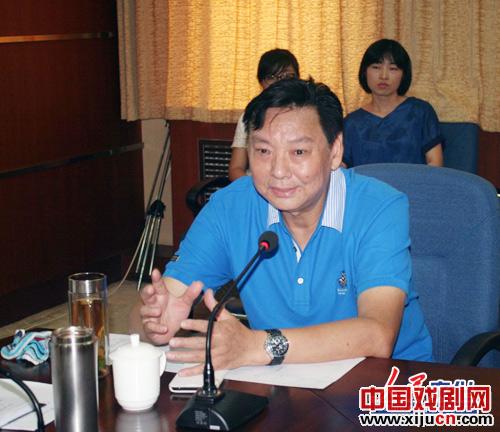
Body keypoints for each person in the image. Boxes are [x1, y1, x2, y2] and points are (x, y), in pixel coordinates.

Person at [129, 78, 433, 376]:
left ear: (335, 151)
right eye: (263, 151)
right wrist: (154, 323)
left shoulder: (380, 207)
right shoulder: (229, 207)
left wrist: (257, 346)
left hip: (387, 384)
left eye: (298, 152)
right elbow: (147, 315)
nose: (277, 171)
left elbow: (378, 335)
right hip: (282, 380)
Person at [343, 39, 443, 167]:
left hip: (413, 181)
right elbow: (342, 169)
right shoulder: (351, 123)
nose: (384, 76)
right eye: (376, 67)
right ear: (364, 72)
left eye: (393, 68)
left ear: (404, 75)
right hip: (365, 181)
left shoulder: (420, 112)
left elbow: (435, 163)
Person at [228, 48, 300, 181]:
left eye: (288, 76)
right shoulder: (250, 115)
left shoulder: (308, 116)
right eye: (272, 77)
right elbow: (236, 169)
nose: (280, 82)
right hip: (256, 185)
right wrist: (253, 188)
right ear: (261, 82)